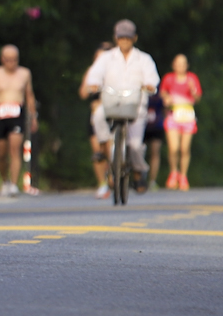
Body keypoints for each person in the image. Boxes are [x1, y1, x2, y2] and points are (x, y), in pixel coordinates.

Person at [80, 21, 159, 197]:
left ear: (134, 39)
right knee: (98, 115)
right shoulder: (106, 58)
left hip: (135, 104)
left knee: (136, 145)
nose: (124, 42)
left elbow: (152, 78)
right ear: (116, 39)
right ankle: (102, 147)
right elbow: (94, 74)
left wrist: (150, 85)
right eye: (121, 38)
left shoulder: (143, 59)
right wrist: (93, 84)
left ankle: (138, 172)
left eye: (128, 38)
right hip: (111, 102)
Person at [0, 45, 36, 197]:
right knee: (1, 153)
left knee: (15, 149)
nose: (11, 63)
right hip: (0, 114)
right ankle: (5, 181)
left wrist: (33, 116)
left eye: (14, 60)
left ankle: (14, 184)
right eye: (8, 60)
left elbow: (29, 95)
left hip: (17, 113)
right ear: (2, 59)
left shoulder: (24, 73)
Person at [159, 55, 202, 190]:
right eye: (178, 63)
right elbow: (162, 93)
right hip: (173, 115)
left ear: (187, 65)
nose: (180, 66)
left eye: (183, 63)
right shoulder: (169, 78)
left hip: (187, 115)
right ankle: (173, 172)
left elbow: (198, 97)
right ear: (173, 65)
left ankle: (183, 175)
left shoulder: (192, 78)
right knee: (174, 147)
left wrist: (192, 89)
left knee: (184, 148)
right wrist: (167, 99)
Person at [84, 41, 115, 198]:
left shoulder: (116, 72)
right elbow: (83, 93)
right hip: (95, 115)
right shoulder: (91, 72)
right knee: (98, 151)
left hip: (113, 112)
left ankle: (113, 174)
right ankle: (102, 184)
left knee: (110, 147)